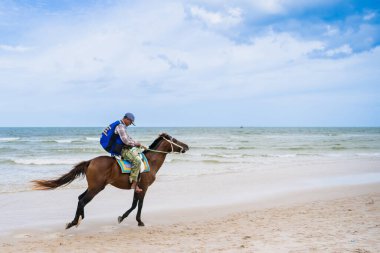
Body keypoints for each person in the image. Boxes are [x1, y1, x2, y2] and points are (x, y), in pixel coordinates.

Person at [100, 112, 145, 193]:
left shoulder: (120, 124)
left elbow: (127, 137)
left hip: (118, 146)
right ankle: (134, 183)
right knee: (137, 161)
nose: (130, 124)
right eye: (131, 122)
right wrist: (135, 144)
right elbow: (126, 141)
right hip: (119, 149)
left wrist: (136, 143)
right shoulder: (120, 126)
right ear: (126, 119)